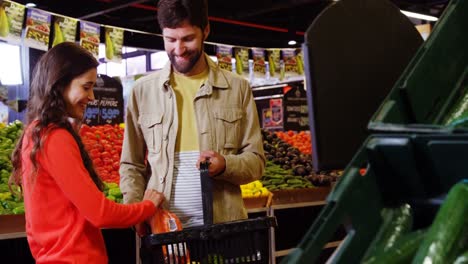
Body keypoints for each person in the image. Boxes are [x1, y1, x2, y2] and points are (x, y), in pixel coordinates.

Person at [9, 42, 165, 264]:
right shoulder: (55, 137)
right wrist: (147, 206)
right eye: (86, 86)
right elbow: (101, 213)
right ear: (60, 84)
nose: (91, 96)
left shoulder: (34, 132)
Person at [120, 0, 265, 235]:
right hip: (163, 232)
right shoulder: (143, 92)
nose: (179, 49)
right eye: (170, 40)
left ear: (205, 30)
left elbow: (256, 162)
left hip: (225, 230)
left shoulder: (237, 89)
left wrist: (225, 165)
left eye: (188, 39)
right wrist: (134, 208)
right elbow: (131, 164)